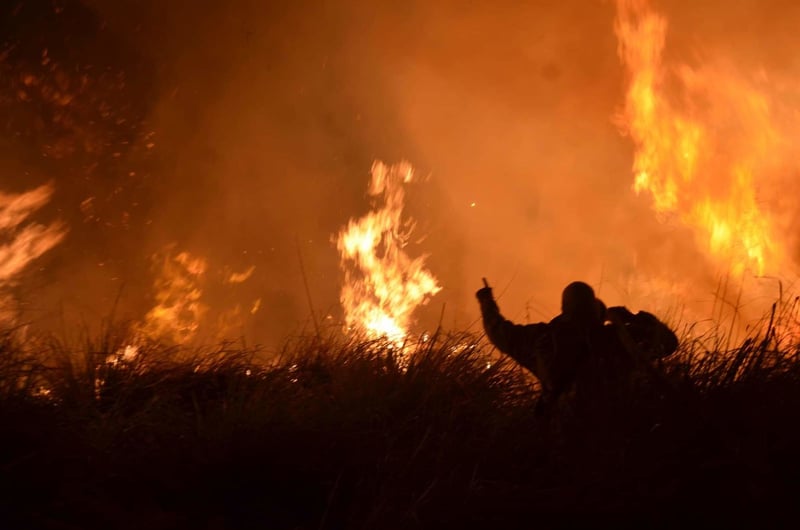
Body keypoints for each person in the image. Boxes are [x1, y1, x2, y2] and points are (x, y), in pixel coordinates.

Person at [476, 279, 678, 409]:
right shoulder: (616, 339)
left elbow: (499, 331)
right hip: (617, 439)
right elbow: (668, 343)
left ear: (563, 308)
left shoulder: (542, 338)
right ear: (596, 312)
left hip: (563, 440)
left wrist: (486, 300)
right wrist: (630, 318)